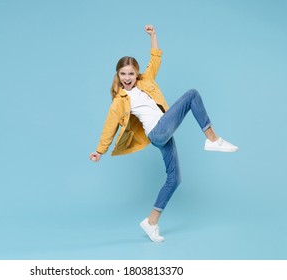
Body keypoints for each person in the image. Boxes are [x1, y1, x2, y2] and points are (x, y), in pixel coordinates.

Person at [89, 25, 238, 242]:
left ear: (136, 73)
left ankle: (151, 222)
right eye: (123, 74)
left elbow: (155, 59)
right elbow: (109, 128)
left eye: (131, 73)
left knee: (174, 178)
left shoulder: (145, 80)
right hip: (158, 133)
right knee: (192, 95)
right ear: (118, 75)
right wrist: (99, 151)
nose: (127, 77)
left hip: (164, 130)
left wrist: (153, 36)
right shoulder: (119, 102)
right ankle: (213, 139)